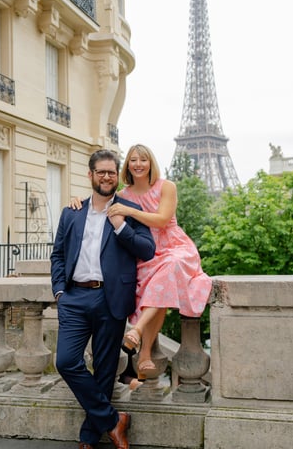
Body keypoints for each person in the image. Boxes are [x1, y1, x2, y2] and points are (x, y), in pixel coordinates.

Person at [50, 149, 155, 449]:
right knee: (66, 361)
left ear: (116, 175)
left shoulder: (130, 209)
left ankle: (87, 442)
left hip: (111, 299)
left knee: (106, 372)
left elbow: (148, 250)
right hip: (75, 299)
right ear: (91, 175)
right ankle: (114, 421)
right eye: (101, 172)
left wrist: (122, 227)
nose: (107, 177)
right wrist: (59, 291)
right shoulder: (72, 212)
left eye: (112, 172)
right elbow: (57, 254)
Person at [70, 144, 212, 384]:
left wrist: (129, 211)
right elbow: (100, 203)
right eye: (133, 160)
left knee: (168, 270)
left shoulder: (166, 187)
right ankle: (143, 352)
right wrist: (77, 201)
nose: (138, 164)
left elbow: (162, 220)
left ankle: (138, 337)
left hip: (172, 246)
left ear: (150, 163)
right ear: (128, 165)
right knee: (157, 286)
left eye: (143, 159)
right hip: (145, 250)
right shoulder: (124, 195)